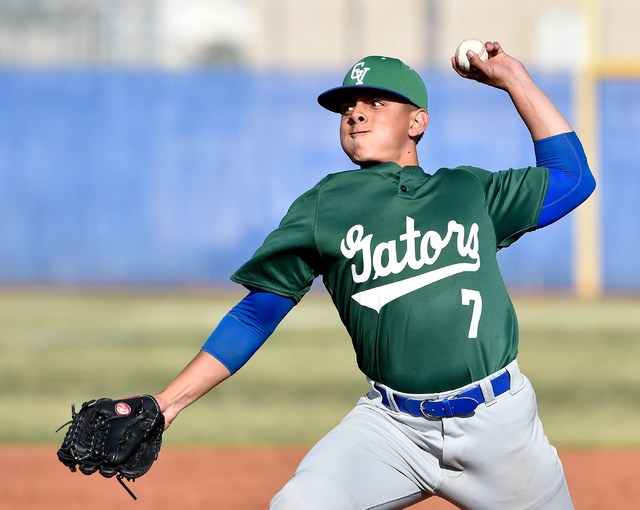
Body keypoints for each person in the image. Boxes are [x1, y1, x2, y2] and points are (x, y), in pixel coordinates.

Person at [154, 41, 595, 509]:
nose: (355, 114)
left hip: (500, 428)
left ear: (417, 122)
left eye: (376, 103)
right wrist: (167, 404)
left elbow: (572, 178)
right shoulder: (324, 205)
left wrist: (514, 80)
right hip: (391, 430)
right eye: (347, 106)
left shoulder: (466, 190)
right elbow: (256, 314)